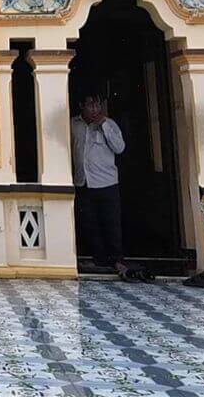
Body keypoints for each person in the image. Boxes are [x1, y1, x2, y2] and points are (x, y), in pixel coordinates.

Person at [71, 91, 127, 272]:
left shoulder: (109, 124)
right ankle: (99, 260)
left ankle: (117, 260)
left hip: (107, 183)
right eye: (90, 105)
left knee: (111, 223)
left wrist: (104, 125)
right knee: (89, 224)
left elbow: (119, 148)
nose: (95, 109)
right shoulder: (73, 125)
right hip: (83, 183)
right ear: (82, 106)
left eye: (97, 105)